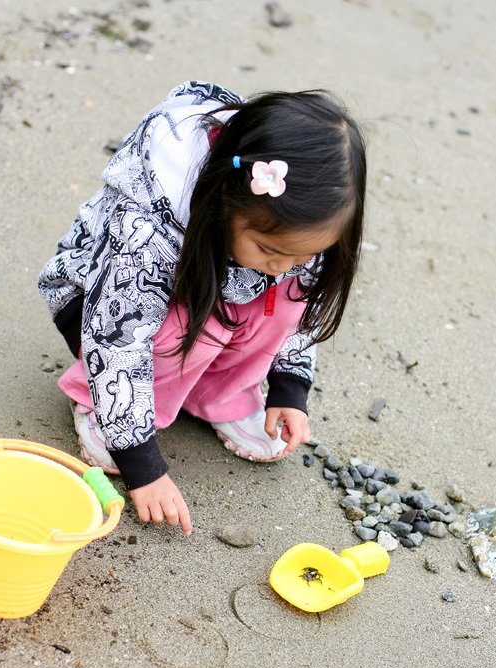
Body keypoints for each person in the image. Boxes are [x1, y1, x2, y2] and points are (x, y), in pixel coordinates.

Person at [38, 80, 367, 534]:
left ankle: (219, 393)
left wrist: (290, 387)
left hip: (215, 294)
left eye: (303, 255)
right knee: (200, 324)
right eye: (269, 250)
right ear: (226, 199)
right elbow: (118, 340)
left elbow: (301, 305)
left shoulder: (303, 230)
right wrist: (141, 465)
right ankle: (102, 408)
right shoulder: (148, 229)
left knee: (288, 293)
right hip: (100, 312)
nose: (283, 266)